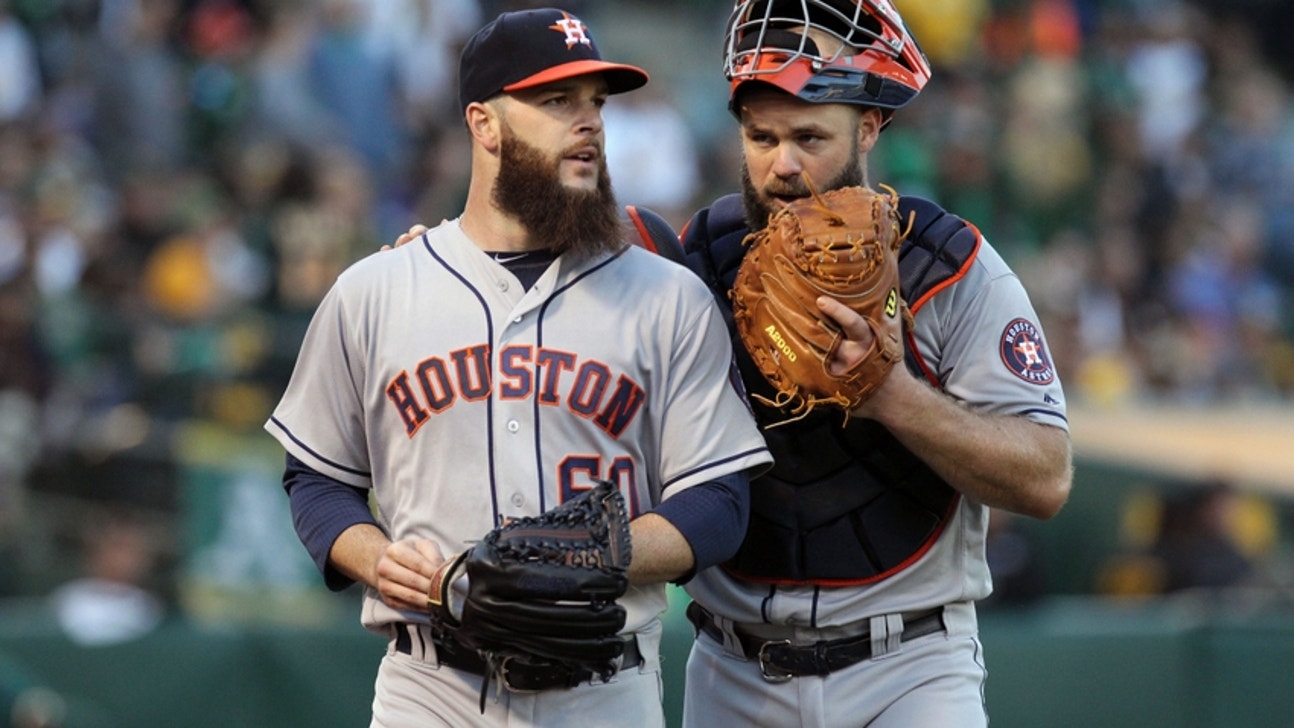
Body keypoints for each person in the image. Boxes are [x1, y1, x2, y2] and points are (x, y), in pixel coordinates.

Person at [265, 8, 772, 728]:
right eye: (555, 100)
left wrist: (592, 556)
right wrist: (376, 559)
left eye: (596, 101)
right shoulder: (376, 291)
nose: (588, 122)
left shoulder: (666, 294)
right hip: (427, 687)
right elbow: (316, 480)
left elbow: (719, 504)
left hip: (603, 687)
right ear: (483, 123)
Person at [673, 2, 1073, 726]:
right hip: (734, 667)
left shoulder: (949, 267)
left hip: (910, 667)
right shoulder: (701, 260)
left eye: (808, 137)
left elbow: (1047, 478)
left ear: (867, 128)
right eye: (760, 137)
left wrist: (892, 394)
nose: (781, 165)